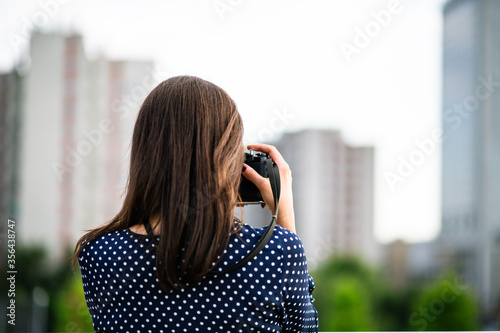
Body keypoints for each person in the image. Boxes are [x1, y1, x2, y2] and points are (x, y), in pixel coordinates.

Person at [73, 76, 319, 332]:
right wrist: (285, 221)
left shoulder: (100, 255)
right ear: (231, 162)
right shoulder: (277, 252)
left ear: (145, 153)